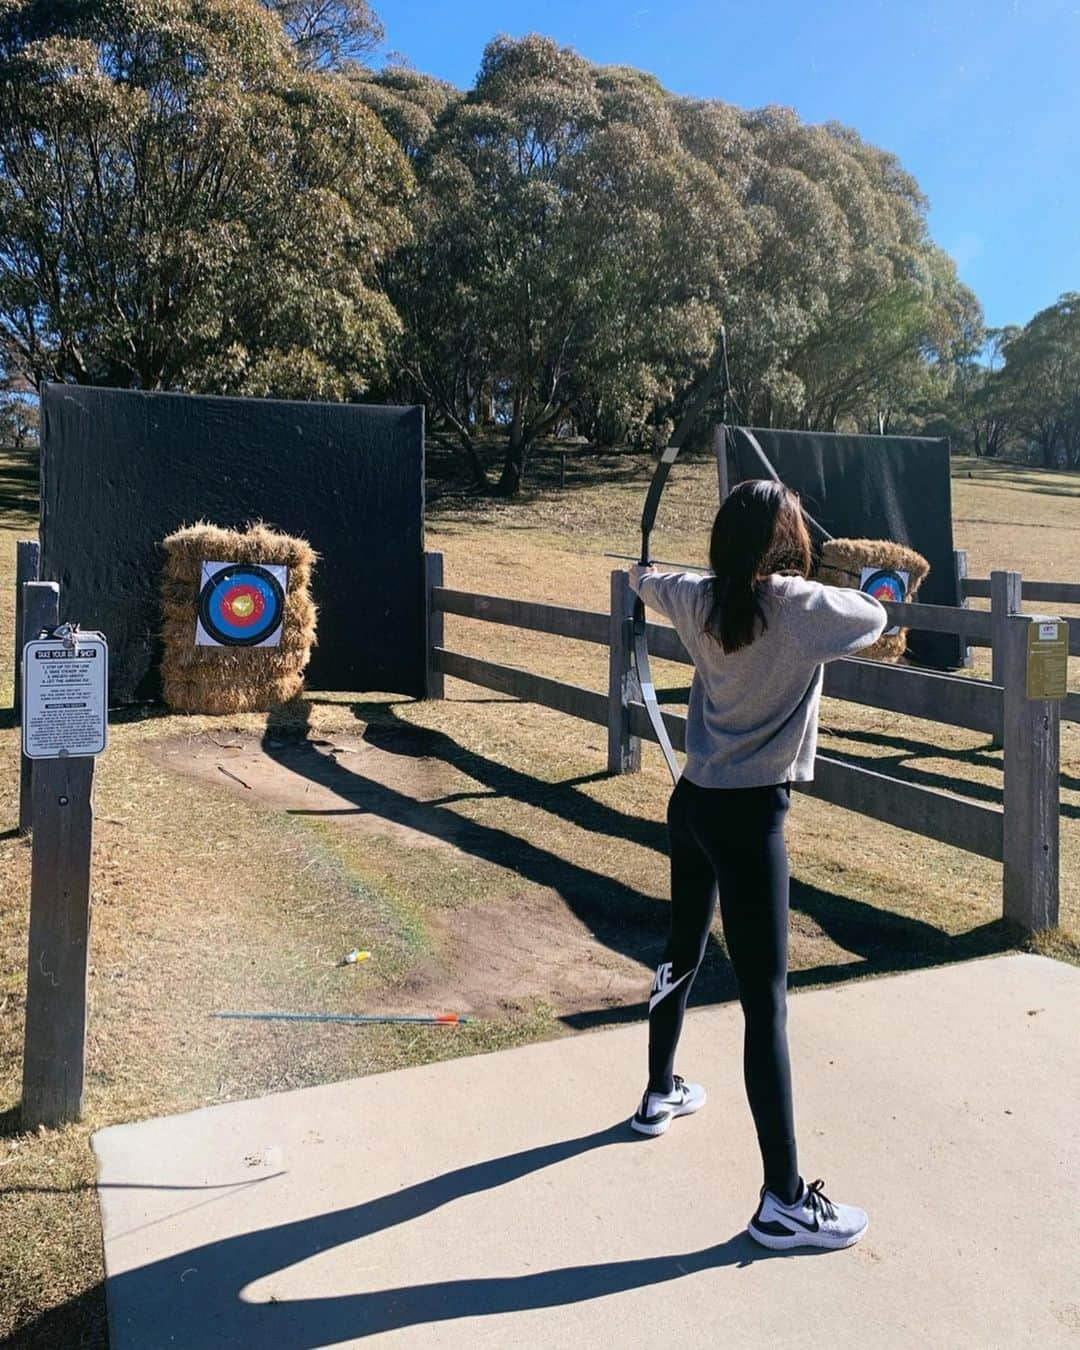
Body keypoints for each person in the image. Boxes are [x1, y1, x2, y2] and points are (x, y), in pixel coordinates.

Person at [627, 478, 887, 1252]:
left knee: (682, 945)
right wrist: (802, 575)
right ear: (787, 542)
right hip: (750, 818)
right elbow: (876, 612)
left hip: (695, 805)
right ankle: (783, 1201)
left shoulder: (698, 597)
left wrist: (656, 573)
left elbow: (645, 580)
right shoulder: (803, 610)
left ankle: (657, 1091)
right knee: (764, 1003)